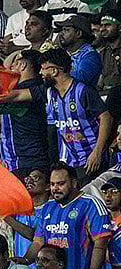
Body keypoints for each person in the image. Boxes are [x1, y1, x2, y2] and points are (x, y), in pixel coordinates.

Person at [41, 50, 111, 183]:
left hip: (91, 159)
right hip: (70, 162)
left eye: (43, 68)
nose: (40, 73)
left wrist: (97, 152)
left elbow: (106, 117)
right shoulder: (51, 93)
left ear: (54, 71)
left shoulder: (83, 91)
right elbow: (21, 94)